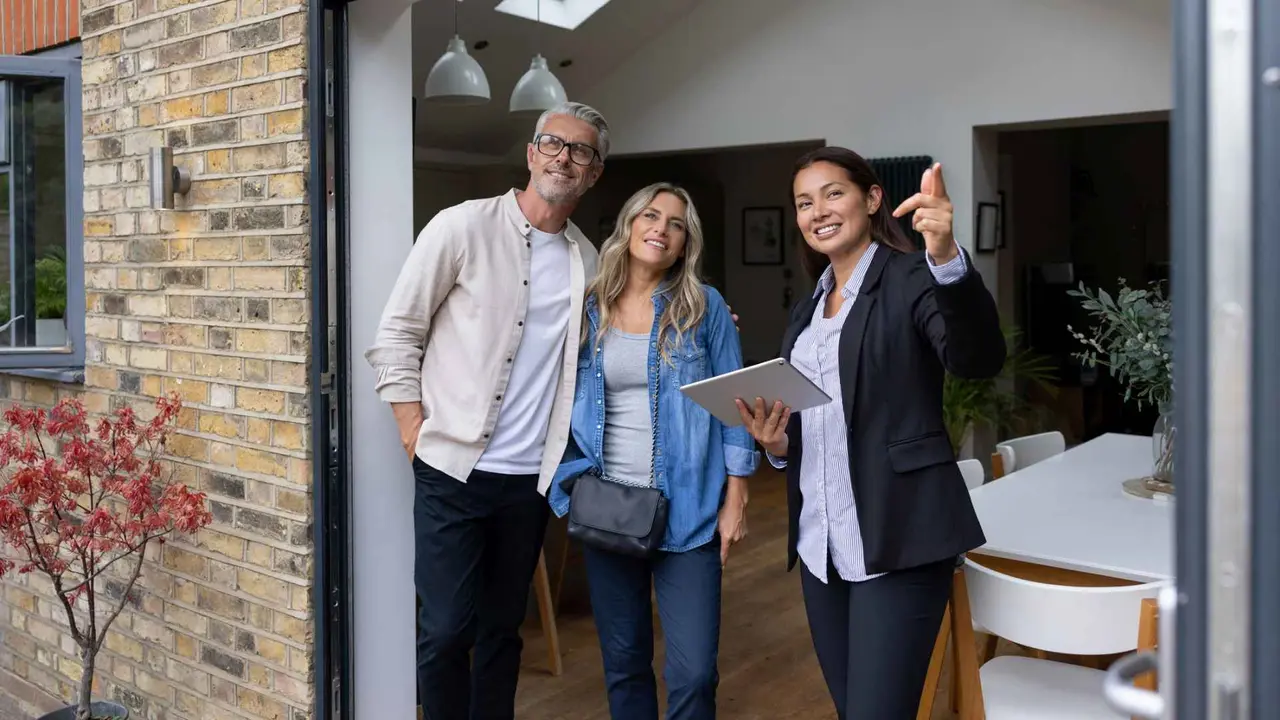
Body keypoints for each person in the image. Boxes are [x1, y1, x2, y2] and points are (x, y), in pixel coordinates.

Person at [735, 147, 1006, 719]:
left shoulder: (913, 275)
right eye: (804, 202)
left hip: (899, 537)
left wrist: (948, 258)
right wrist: (779, 445)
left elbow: (976, 359)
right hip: (821, 546)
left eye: (833, 193)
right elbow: (822, 422)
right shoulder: (807, 307)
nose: (818, 212)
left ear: (872, 198)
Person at [364, 102, 610, 720]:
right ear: (531, 153)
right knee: (447, 628)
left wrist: (700, 325)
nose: (563, 157)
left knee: (504, 631)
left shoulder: (592, 262)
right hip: (451, 469)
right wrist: (411, 430)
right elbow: (397, 335)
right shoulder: (461, 227)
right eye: (553, 143)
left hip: (530, 480)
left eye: (580, 151)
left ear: (595, 173)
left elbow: (627, 337)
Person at [549, 182, 760, 720]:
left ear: (686, 243)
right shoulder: (587, 306)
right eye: (650, 215)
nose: (660, 229)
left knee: (693, 675)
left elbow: (734, 404)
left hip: (689, 511)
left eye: (676, 223)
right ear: (628, 224)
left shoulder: (705, 308)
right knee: (623, 663)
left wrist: (737, 496)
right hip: (609, 507)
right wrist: (566, 485)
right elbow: (548, 389)